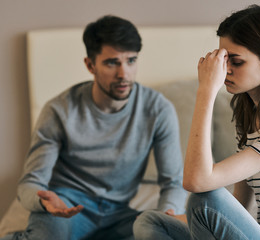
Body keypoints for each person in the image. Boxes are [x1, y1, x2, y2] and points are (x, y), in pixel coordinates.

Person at [133, 4, 260, 240]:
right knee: (151, 221)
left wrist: (206, 90)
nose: (225, 70)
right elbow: (239, 204)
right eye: (223, 60)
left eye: (236, 62)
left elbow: (197, 182)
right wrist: (184, 220)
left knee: (204, 196)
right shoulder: (252, 120)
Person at [1, 15, 187, 240]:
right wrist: (43, 200)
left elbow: (173, 183)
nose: (123, 74)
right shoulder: (59, 110)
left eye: (131, 61)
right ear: (90, 65)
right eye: (112, 62)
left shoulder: (158, 109)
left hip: (119, 214)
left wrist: (164, 215)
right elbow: (30, 183)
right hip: (67, 208)